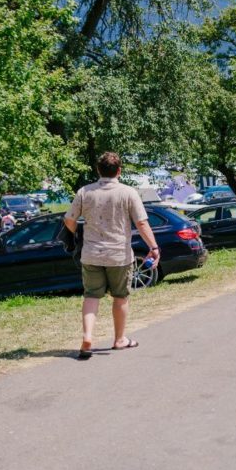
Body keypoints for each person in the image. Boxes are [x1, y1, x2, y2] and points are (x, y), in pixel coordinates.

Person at [64, 152, 159, 360]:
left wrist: (73, 236)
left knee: (91, 296)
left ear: (98, 170)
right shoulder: (128, 193)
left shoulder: (84, 192)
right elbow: (142, 223)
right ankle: (119, 339)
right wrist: (153, 247)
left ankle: (87, 337)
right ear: (119, 171)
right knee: (120, 296)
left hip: (91, 254)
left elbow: (69, 220)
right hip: (119, 255)